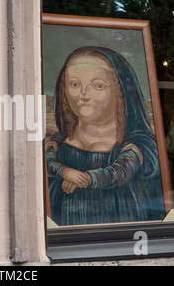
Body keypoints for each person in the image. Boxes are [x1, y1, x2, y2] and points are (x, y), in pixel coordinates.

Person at [46, 46, 165, 226]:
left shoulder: (138, 145)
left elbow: (122, 170)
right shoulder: (58, 141)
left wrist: (86, 179)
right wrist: (65, 171)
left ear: (119, 91)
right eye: (74, 84)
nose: (84, 94)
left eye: (98, 86)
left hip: (121, 223)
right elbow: (46, 162)